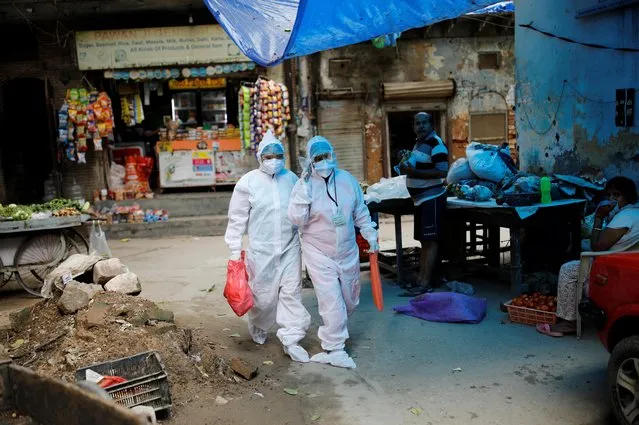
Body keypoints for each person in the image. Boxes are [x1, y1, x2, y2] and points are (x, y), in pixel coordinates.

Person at [288, 136, 378, 369]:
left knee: (350, 299)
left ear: (333, 155)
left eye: (326, 156)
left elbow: (360, 210)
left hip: (347, 250)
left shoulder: (347, 181)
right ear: (310, 161)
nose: (323, 162)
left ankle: (335, 333)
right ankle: (334, 348)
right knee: (332, 301)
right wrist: (303, 194)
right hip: (318, 251)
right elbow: (296, 220)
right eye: (318, 158)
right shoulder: (304, 185)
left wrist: (370, 233)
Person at [224, 130, 311, 362]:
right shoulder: (248, 182)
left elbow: (301, 210)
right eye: (268, 156)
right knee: (262, 298)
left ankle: (291, 337)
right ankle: (259, 326)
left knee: (291, 293)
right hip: (261, 251)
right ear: (260, 157)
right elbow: (237, 218)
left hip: (290, 247)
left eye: (277, 155)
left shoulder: (291, 178)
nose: (274, 160)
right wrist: (234, 250)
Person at [537, 176, 639, 337]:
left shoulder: (625, 217)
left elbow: (597, 246)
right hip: (625, 263)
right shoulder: (634, 213)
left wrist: (598, 218)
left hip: (610, 267)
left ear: (628, 197)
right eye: (609, 195)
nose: (611, 200)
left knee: (568, 269)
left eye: (617, 195)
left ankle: (568, 322)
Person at [397, 112, 449, 296]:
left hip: (431, 198)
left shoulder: (436, 144)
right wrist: (407, 165)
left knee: (430, 240)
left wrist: (413, 172)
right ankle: (421, 279)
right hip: (421, 200)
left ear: (431, 124)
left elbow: (442, 172)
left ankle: (425, 283)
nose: (420, 126)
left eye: (424, 123)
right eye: (417, 123)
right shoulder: (420, 143)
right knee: (424, 240)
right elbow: (420, 166)